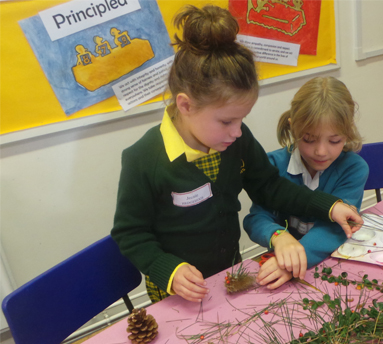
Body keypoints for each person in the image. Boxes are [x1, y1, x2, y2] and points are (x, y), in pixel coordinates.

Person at [111, 5, 363, 304]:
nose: (237, 131)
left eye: (242, 119)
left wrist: (329, 207)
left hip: (226, 273)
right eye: (227, 121)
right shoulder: (143, 159)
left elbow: (271, 188)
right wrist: (168, 269)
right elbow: (130, 233)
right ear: (186, 105)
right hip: (176, 287)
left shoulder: (235, 143)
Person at [244, 77, 369, 290]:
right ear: (294, 129)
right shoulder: (273, 165)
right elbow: (256, 218)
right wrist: (279, 237)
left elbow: (338, 227)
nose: (321, 151)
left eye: (334, 141)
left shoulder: (353, 168)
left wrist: (294, 261)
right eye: (309, 140)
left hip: (326, 267)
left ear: (348, 131)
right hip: (282, 264)